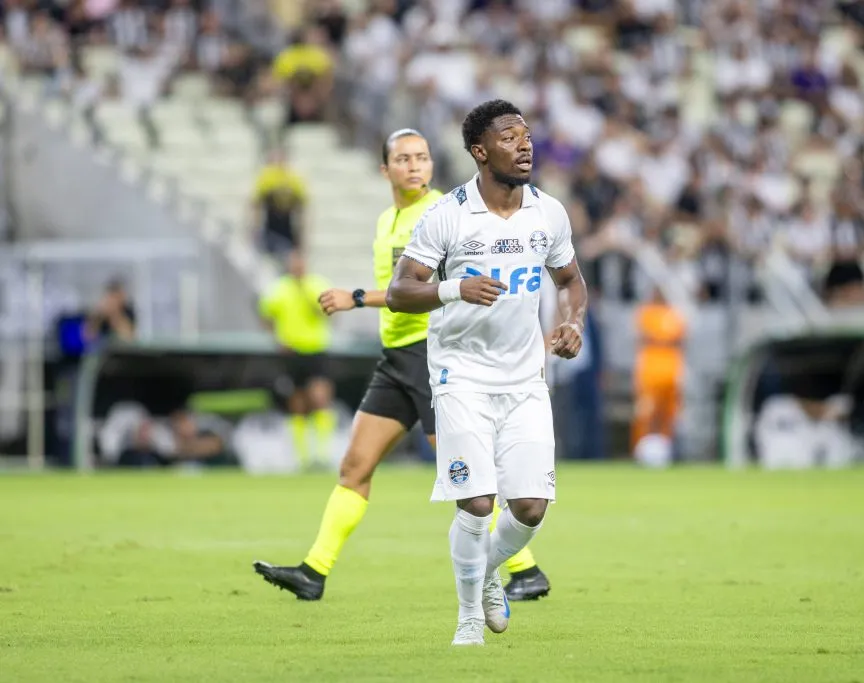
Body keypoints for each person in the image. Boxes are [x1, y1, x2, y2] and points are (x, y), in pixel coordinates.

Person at [253, 128, 552, 603]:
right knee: (355, 466)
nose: (415, 166)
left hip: (433, 354)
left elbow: (420, 288)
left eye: (423, 158)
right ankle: (314, 571)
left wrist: (356, 297)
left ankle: (525, 570)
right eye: (404, 158)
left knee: (465, 473)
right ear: (385, 169)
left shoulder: (443, 212)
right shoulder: (387, 219)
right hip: (396, 359)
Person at [385, 100, 587, 646]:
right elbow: (400, 292)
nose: (524, 144)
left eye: (527, 135)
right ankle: (469, 617)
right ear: (480, 151)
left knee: (529, 509)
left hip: (524, 380)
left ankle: (489, 571)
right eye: (509, 137)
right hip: (461, 376)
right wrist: (454, 288)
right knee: (476, 502)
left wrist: (573, 323)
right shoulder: (447, 215)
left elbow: (569, 281)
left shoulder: (549, 213)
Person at [258, 251, 335, 469]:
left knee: (320, 398)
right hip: (291, 353)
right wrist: (276, 338)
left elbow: (327, 313)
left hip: (316, 349)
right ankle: (302, 458)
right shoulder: (278, 289)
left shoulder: (317, 285)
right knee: (297, 402)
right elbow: (266, 314)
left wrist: (306, 294)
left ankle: (322, 454)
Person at [631, 286, 686, 454]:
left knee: (668, 414)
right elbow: (643, 338)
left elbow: (681, 339)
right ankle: (640, 450)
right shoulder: (646, 313)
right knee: (646, 414)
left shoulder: (674, 314)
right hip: (650, 372)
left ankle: (665, 450)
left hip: (671, 371)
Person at [251, 148, 308, 261]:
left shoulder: (294, 179)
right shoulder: (267, 177)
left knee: (287, 256)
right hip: (270, 225)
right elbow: (256, 204)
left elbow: (302, 207)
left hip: (287, 225)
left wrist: (302, 237)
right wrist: (255, 230)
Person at [85, 278, 136, 343]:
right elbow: (88, 336)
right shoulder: (100, 313)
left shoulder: (128, 311)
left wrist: (114, 314)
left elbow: (129, 337)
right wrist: (98, 316)